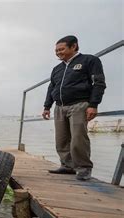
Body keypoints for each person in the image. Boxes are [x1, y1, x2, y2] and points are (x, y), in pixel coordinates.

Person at [42, 35, 106, 181]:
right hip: (59, 107)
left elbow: (99, 83)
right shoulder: (57, 69)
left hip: (79, 105)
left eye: (62, 49)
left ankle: (83, 168)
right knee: (61, 139)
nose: (58, 53)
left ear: (74, 46)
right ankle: (67, 165)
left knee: (78, 138)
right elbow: (52, 87)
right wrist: (47, 106)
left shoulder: (89, 60)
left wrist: (93, 105)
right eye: (56, 50)